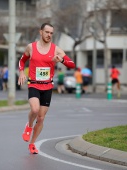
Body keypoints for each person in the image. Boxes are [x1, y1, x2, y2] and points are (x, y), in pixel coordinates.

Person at [18, 23, 75, 154]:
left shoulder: (56, 49)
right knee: (35, 109)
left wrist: (60, 60)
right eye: (47, 32)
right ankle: (29, 126)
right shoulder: (31, 47)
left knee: (42, 118)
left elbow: (72, 64)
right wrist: (21, 72)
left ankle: (32, 143)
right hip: (33, 84)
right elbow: (22, 60)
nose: (49, 35)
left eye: (51, 33)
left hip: (47, 86)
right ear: (41, 32)